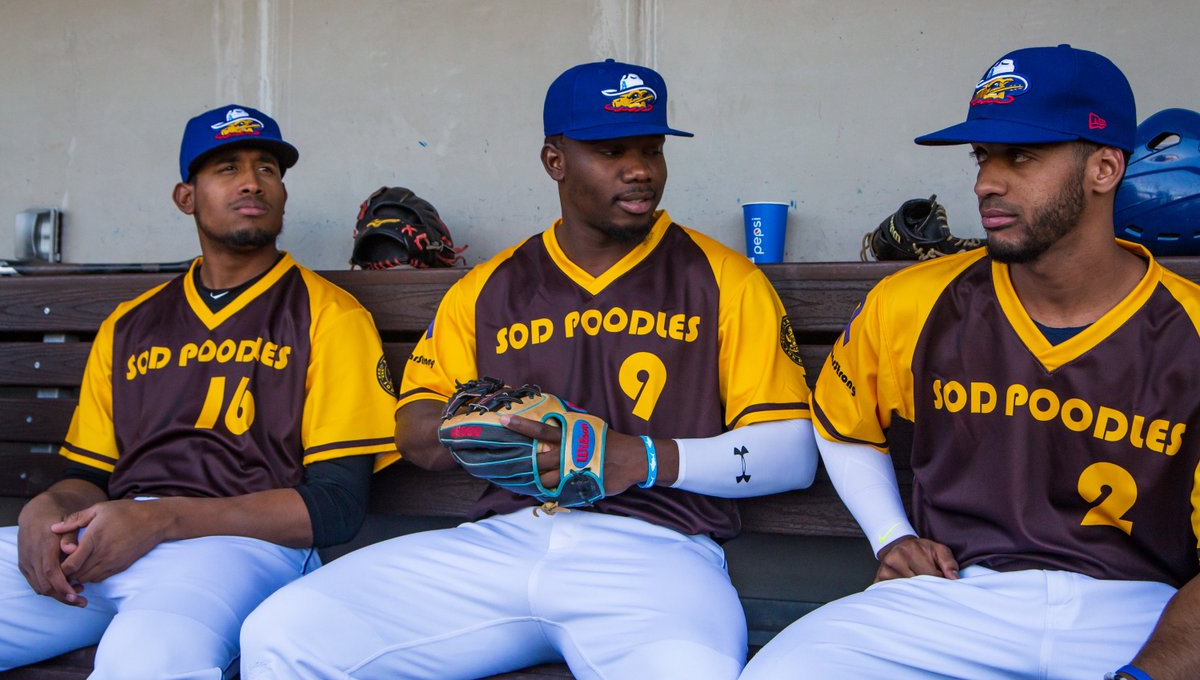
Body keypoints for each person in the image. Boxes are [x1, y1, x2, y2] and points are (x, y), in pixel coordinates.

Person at [240, 59, 819, 680]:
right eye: (611, 150)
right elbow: (414, 426)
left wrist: (640, 458)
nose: (641, 170)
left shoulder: (723, 278)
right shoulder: (489, 288)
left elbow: (790, 454)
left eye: (652, 149)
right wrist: (480, 424)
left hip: (659, 552)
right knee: (283, 632)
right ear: (555, 160)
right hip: (501, 543)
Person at [741, 45, 1200, 680]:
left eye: (1022, 156)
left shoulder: (1189, 330)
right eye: (983, 156)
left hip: (1142, 606)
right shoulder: (917, 299)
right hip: (958, 597)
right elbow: (843, 421)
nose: (987, 181)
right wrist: (890, 536)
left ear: (1104, 167)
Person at [0, 105, 401, 678]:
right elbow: (88, 474)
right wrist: (51, 506)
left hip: (239, 549)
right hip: (107, 538)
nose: (251, 182)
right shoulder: (131, 324)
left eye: (268, 168)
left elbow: (335, 507)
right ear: (185, 197)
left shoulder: (328, 316)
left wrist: (162, 519)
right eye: (226, 168)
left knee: (144, 659)